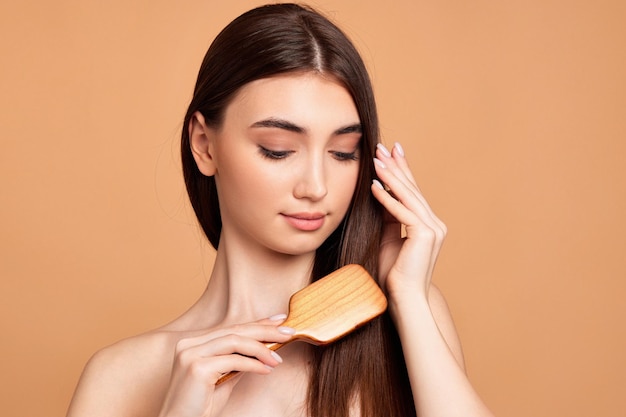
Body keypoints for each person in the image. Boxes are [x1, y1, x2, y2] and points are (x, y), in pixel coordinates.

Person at [66, 3, 494, 417]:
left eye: (343, 153)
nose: (316, 187)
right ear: (203, 144)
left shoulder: (408, 316)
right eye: (278, 150)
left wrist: (410, 299)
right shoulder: (121, 377)